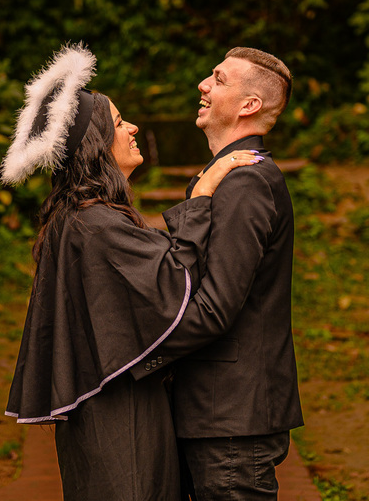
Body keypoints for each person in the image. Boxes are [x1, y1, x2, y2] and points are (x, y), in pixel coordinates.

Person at [0, 44, 262, 501]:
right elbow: (172, 286)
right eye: (120, 123)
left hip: (108, 413)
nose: (133, 127)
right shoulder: (95, 224)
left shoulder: (79, 218)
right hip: (121, 418)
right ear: (96, 144)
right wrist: (200, 198)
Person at [128, 46, 303, 501]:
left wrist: (134, 358)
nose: (203, 85)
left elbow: (213, 308)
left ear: (249, 106)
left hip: (230, 417)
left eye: (219, 80)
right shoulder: (224, 176)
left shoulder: (246, 181)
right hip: (215, 411)